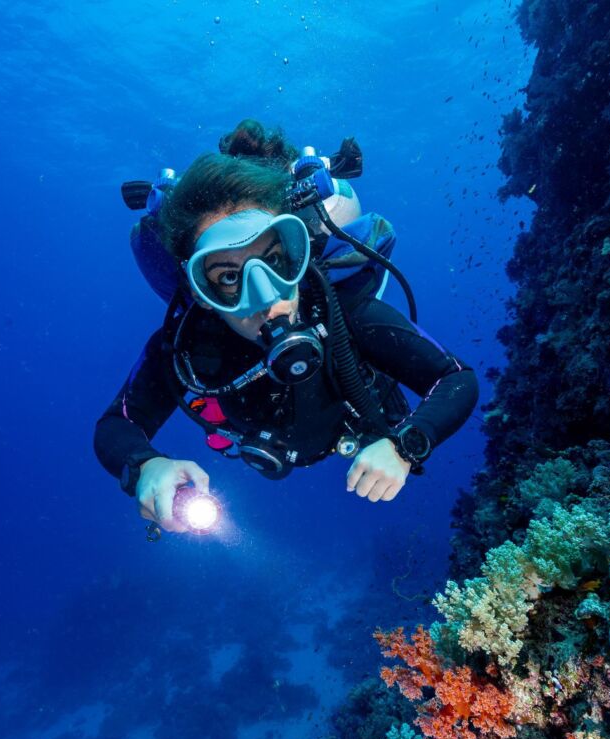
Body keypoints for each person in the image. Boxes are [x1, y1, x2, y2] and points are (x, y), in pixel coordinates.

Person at [94, 137, 478, 533]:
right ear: (200, 294)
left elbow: (455, 378)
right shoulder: (186, 347)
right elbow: (115, 426)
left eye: (274, 260)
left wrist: (406, 443)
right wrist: (146, 466)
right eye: (228, 276)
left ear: (298, 252)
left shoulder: (342, 311)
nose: (266, 297)